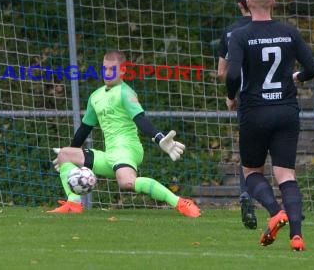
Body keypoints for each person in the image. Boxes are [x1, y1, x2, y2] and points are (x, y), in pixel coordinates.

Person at [48, 50, 200, 218]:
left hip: (127, 149)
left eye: (112, 69)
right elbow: (85, 128)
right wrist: (70, 154)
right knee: (64, 154)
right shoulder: (95, 96)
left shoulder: (125, 92)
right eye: (104, 68)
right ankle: (73, 204)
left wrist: (159, 138)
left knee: (126, 182)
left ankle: (180, 202)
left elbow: (141, 120)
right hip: (110, 155)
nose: (107, 73)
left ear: (122, 70)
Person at [225, 0, 314, 251]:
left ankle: (275, 212)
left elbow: (232, 74)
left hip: (255, 112)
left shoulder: (240, 37)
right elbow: (312, 67)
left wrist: (232, 96)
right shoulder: (289, 33)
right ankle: (297, 236)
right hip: (286, 112)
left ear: (247, 4)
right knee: (286, 175)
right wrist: (297, 77)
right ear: (273, 2)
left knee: (252, 172)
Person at [217, 0, 257, 230]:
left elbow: (223, 71)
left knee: (249, 150)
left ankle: (246, 194)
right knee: (279, 152)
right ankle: (289, 203)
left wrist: (231, 94)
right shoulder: (273, 29)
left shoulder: (230, 32)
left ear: (239, 5)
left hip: (244, 98)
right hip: (272, 97)